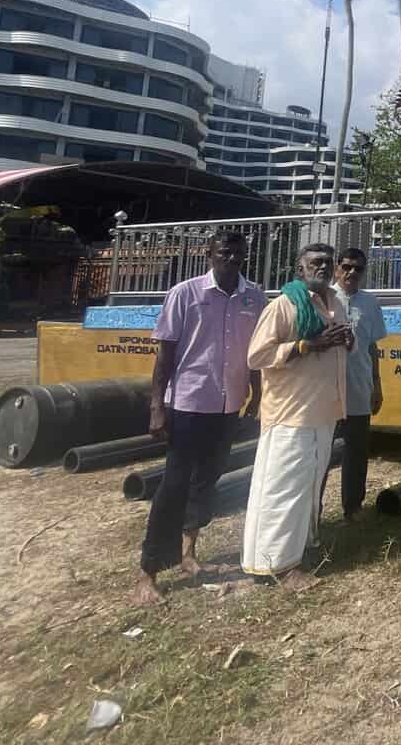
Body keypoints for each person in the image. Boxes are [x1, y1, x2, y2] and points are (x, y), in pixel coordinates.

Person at [132, 229, 264, 606]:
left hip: (229, 405)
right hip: (189, 403)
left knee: (208, 480)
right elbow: (165, 355)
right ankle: (148, 571)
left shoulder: (254, 297)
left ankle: (188, 552)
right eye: (224, 252)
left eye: (238, 253)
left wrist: (256, 394)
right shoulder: (185, 294)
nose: (231, 259)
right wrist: (157, 407)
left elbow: (255, 352)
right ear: (209, 255)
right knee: (174, 484)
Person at [242, 243, 353, 589]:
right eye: (315, 262)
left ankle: (300, 548)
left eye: (328, 263)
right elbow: (257, 356)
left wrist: (345, 340)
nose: (323, 267)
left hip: (323, 411)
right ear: (299, 269)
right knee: (282, 491)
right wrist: (307, 345)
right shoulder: (283, 306)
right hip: (290, 414)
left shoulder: (335, 304)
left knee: (309, 487)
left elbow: (336, 346)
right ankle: (277, 564)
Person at [330, 247, 389, 520]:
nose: (352, 272)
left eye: (358, 268)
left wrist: (377, 385)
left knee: (356, 451)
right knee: (321, 452)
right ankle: (313, 510)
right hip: (326, 390)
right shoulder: (324, 299)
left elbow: (372, 346)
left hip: (359, 387)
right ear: (336, 269)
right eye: (346, 267)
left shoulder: (370, 302)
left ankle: (353, 507)